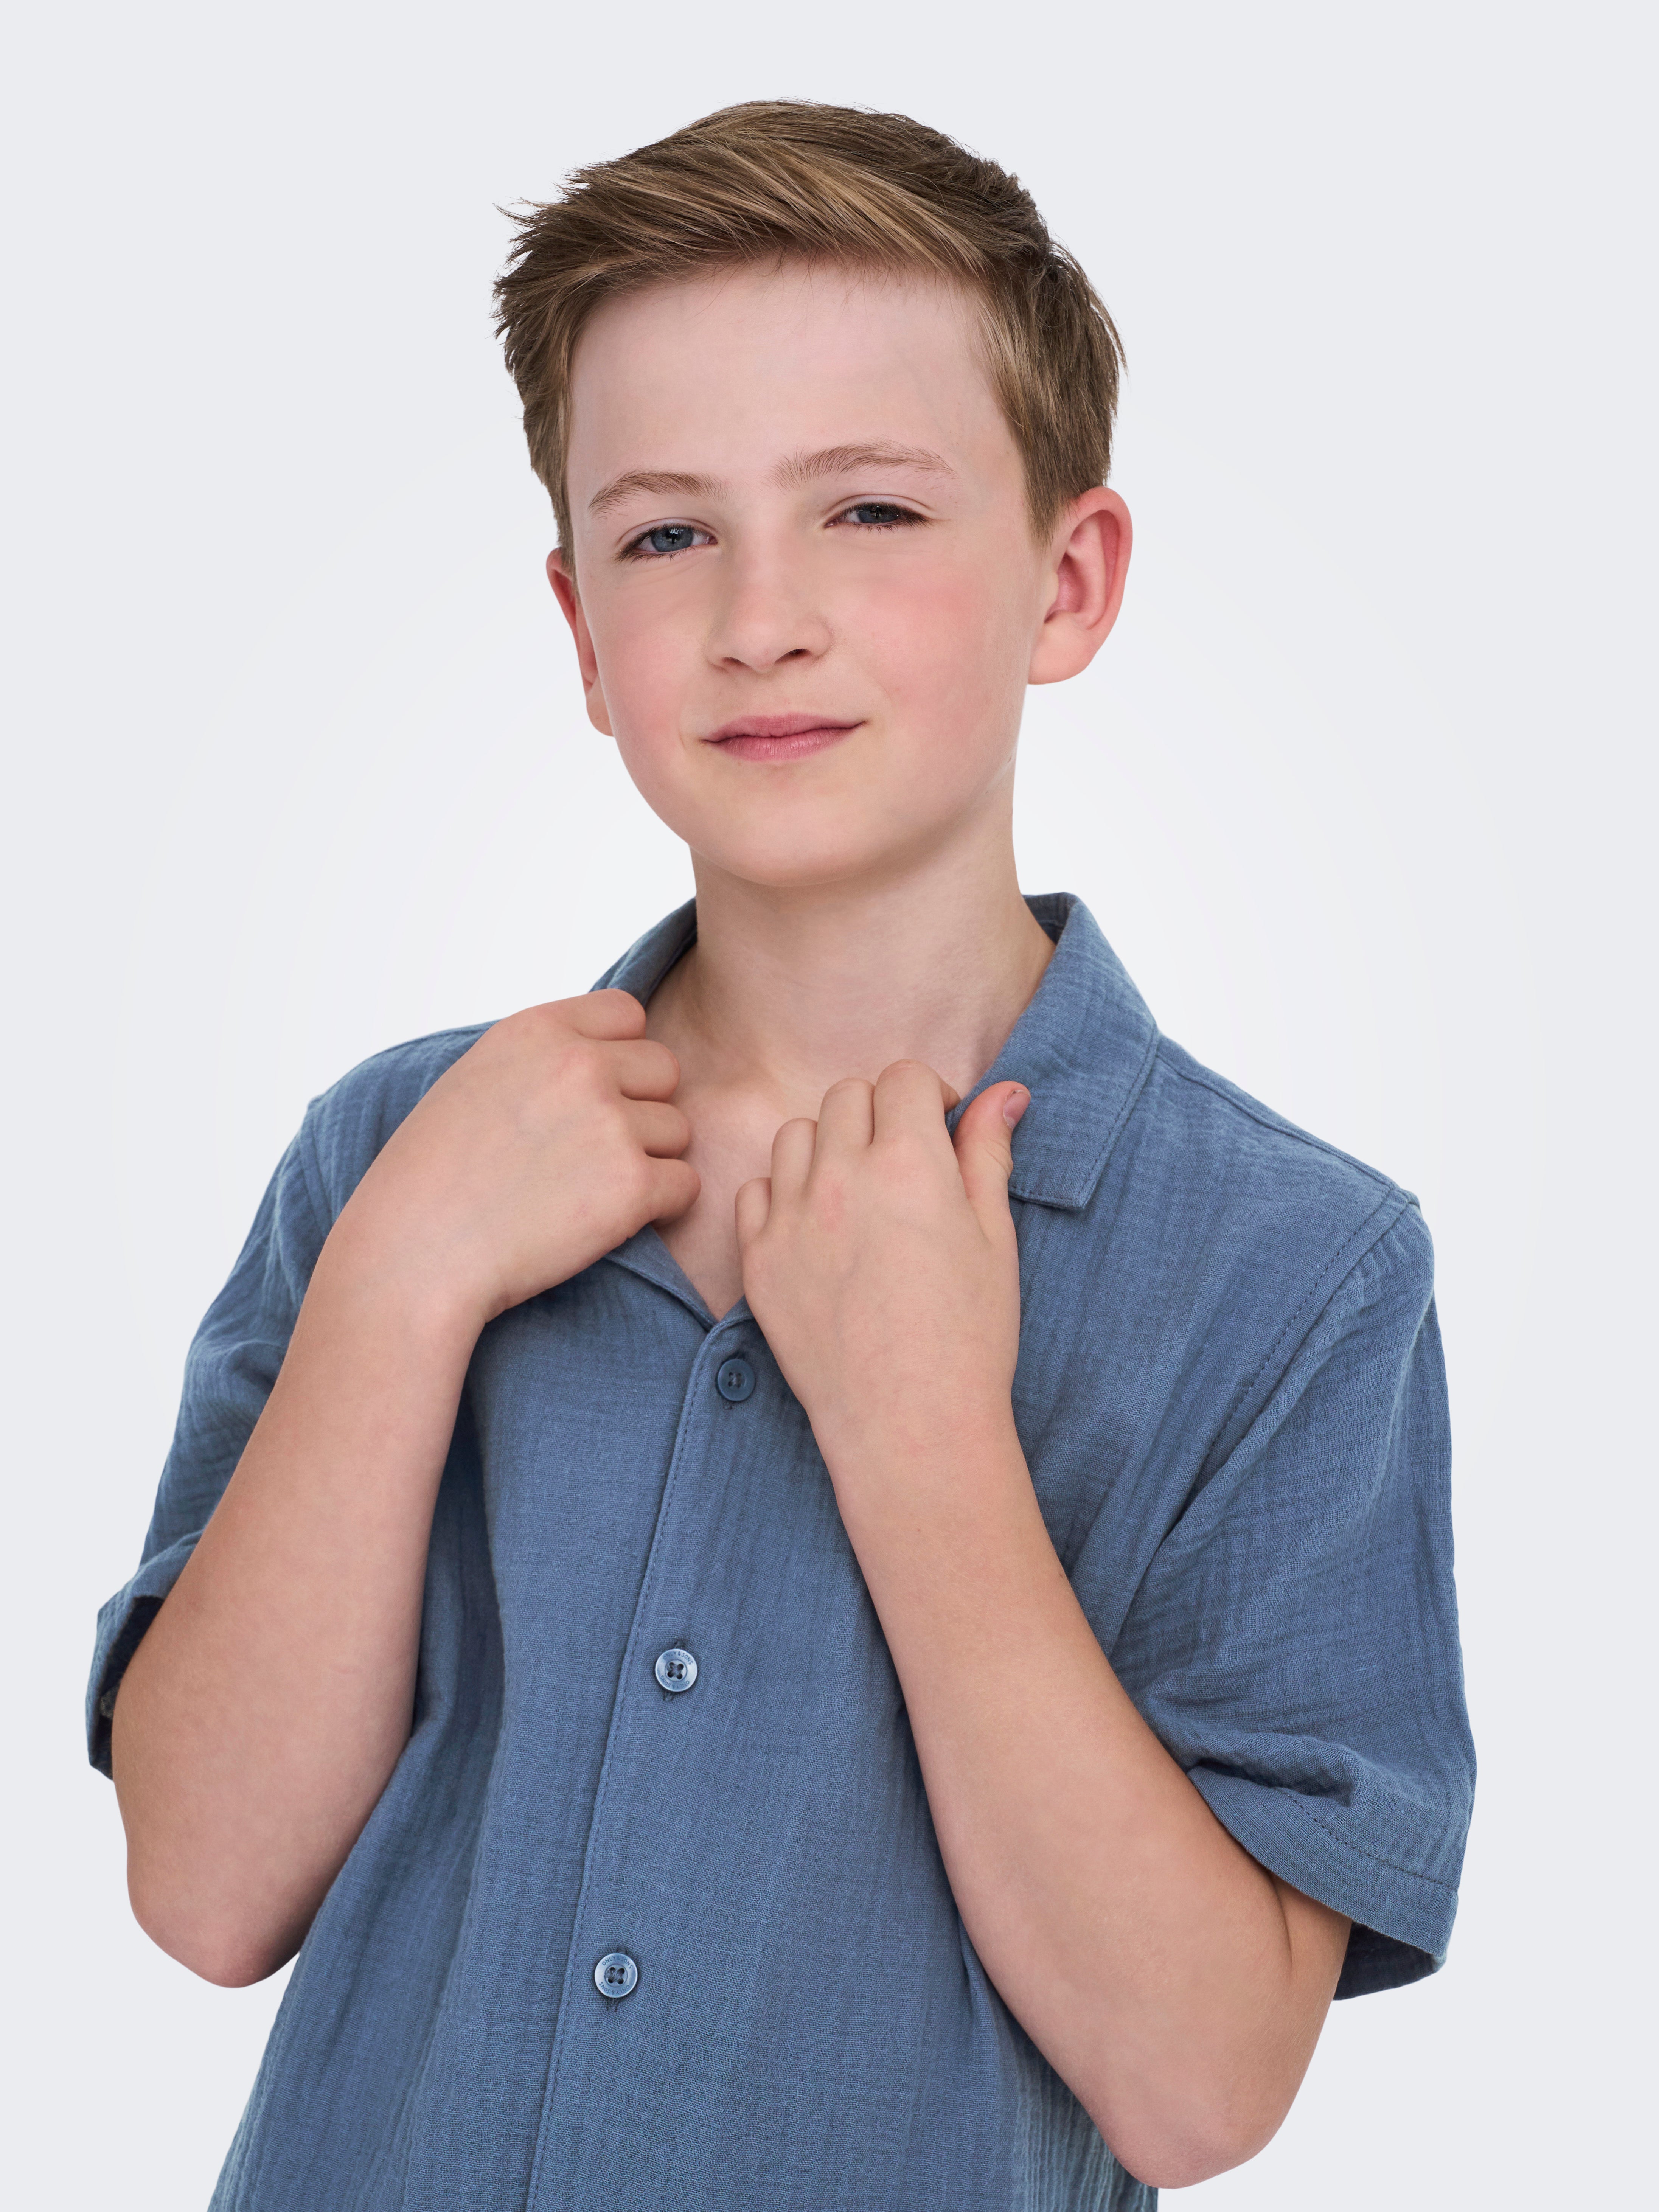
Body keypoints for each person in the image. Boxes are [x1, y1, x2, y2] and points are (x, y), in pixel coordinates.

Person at [88, 101, 1475, 2212]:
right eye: (667, 538)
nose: (761, 617)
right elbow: (201, 1890)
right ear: (580, 630)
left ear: (1068, 581)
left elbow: (1200, 2088)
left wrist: (923, 1435)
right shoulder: (393, 1152)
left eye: (869, 510)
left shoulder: (1292, 1267)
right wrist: (400, 1287)